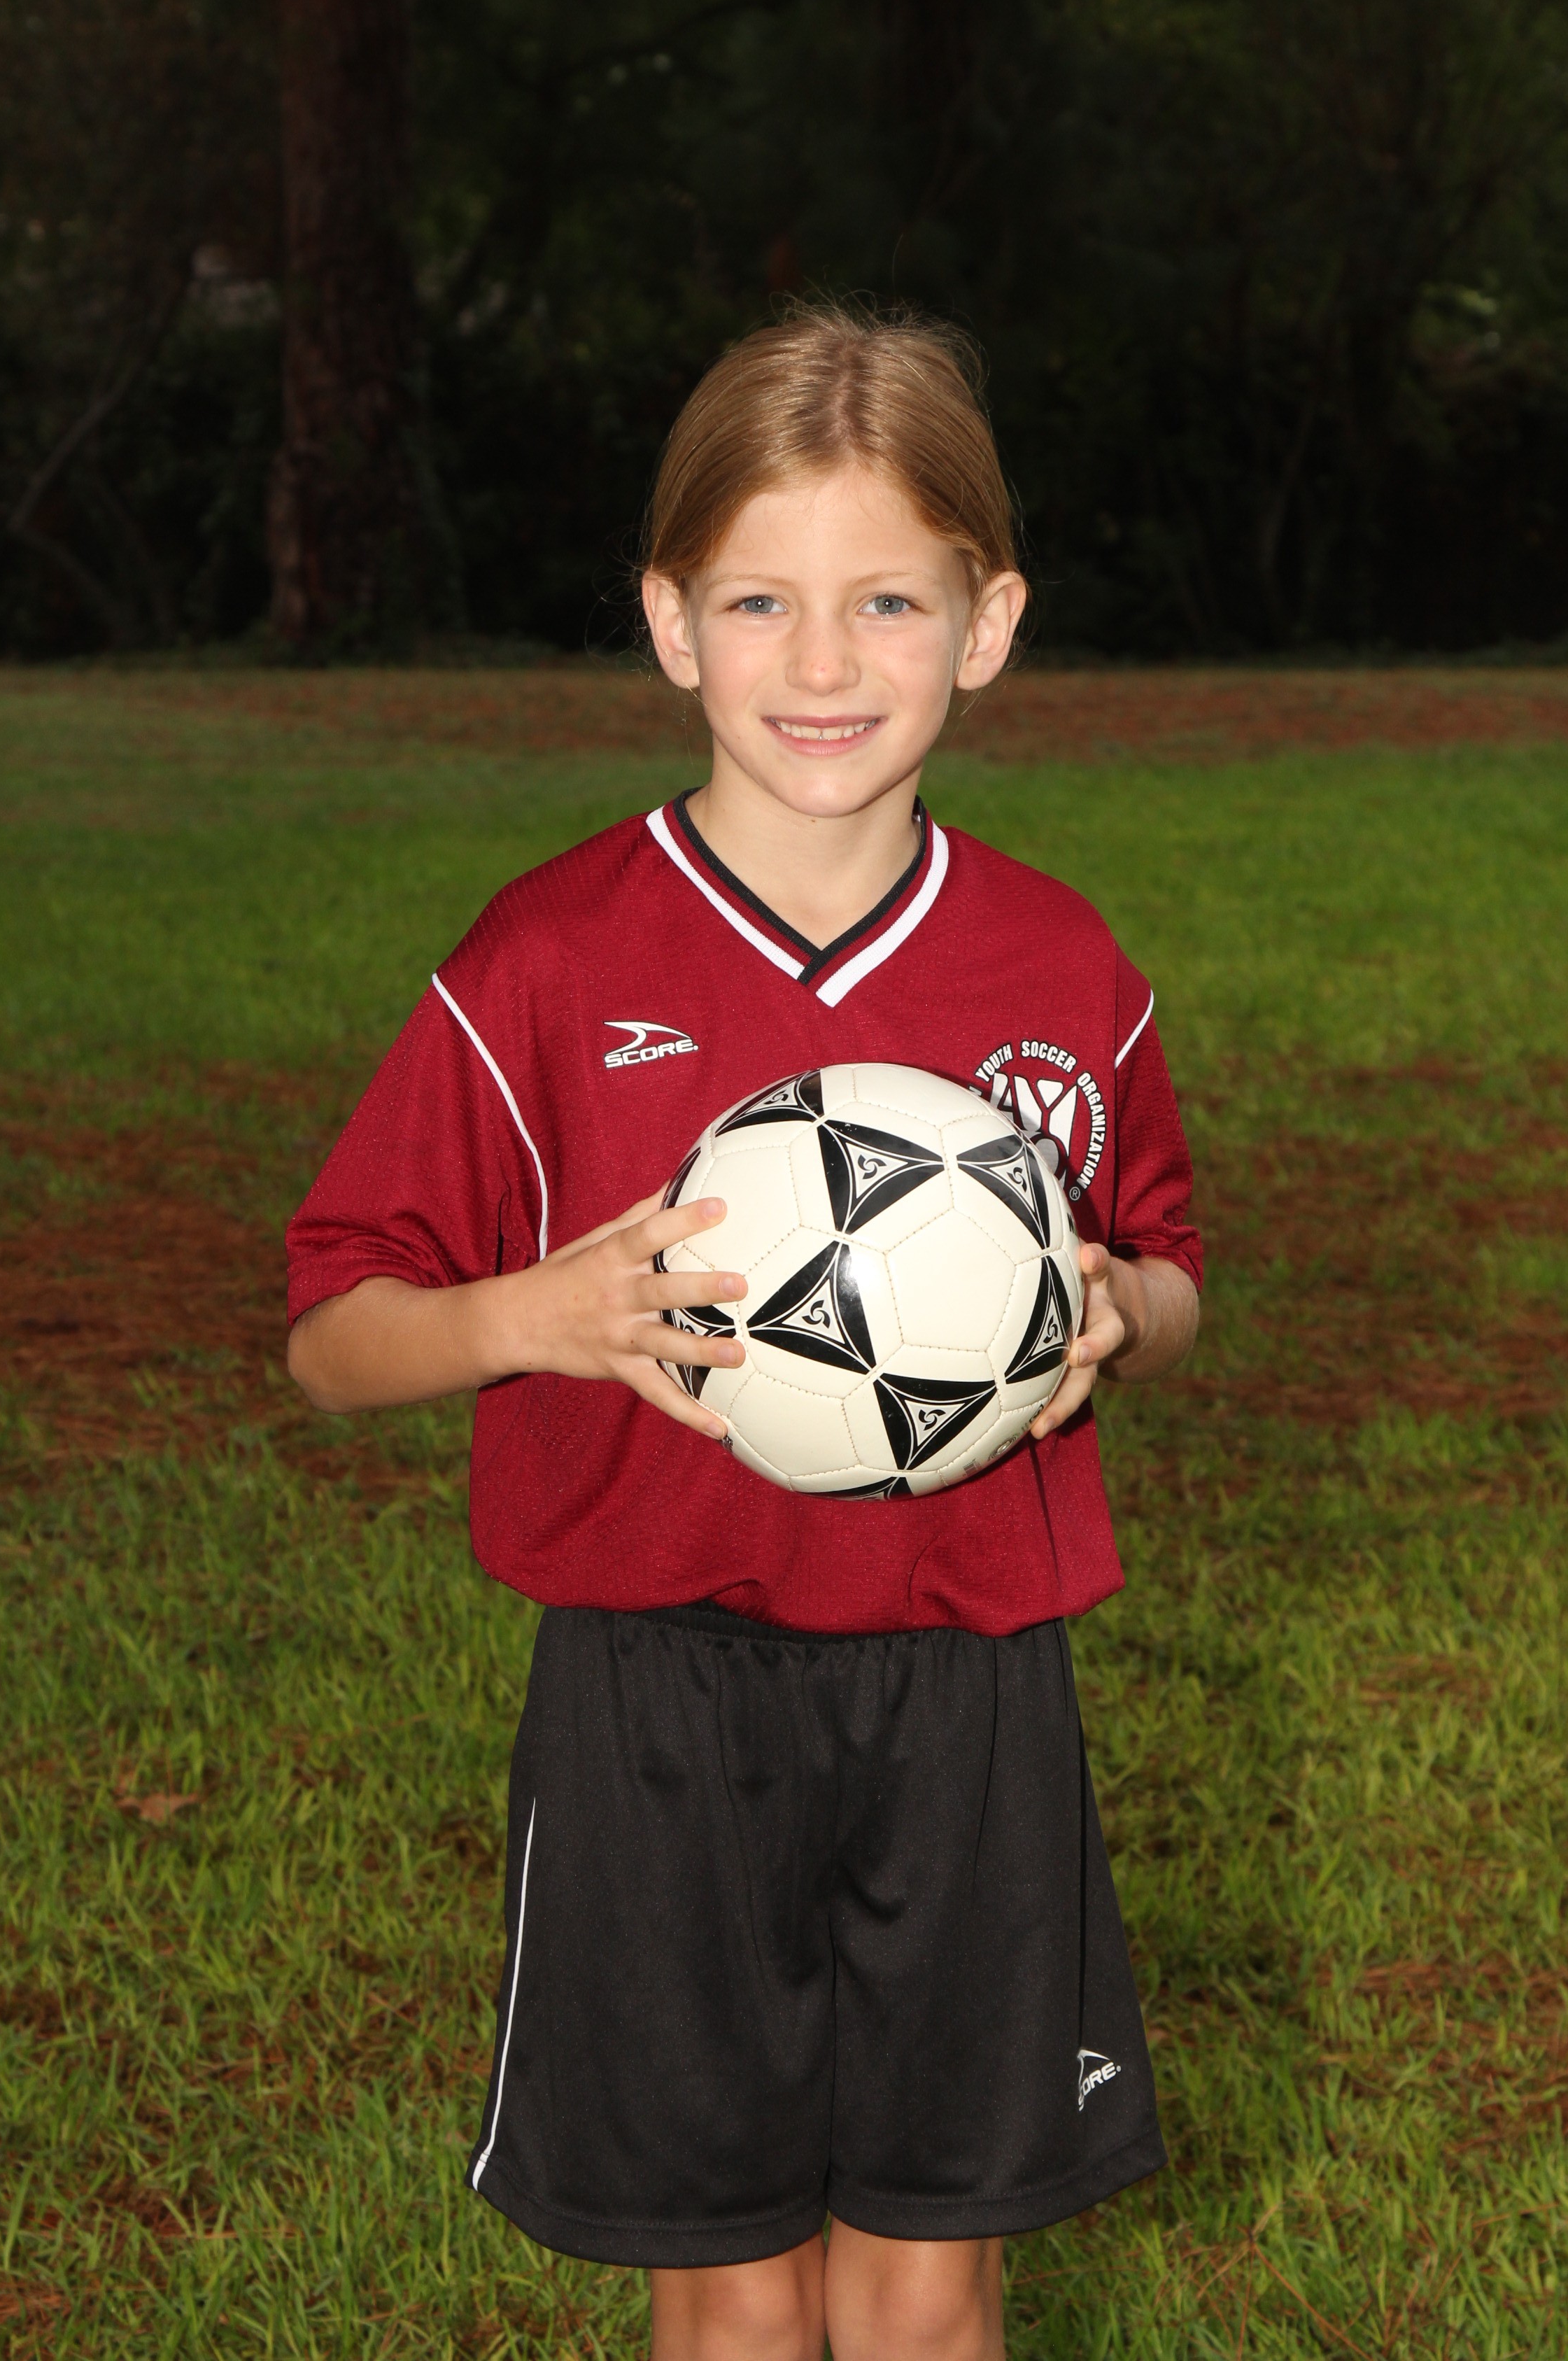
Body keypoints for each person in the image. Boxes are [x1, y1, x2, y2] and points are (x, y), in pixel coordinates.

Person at [285, 304, 1202, 2361]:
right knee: (731, 2306)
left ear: (988, 625)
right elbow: (331, 1330)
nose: (823, 663)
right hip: (656, 1696)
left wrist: (1119, 1314)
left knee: (932, 2292)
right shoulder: (547, 958)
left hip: (973, 1684)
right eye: (761, 600)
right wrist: (528, 1316)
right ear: (670, 624)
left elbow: (1169, 1263)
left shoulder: (1059, 962)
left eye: (889, 601)